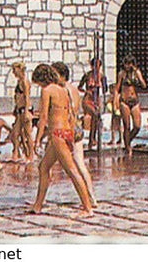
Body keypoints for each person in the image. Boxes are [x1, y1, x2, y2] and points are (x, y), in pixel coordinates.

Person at [29, 64, 94, 217]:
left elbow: (44, 117)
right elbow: (71, 114)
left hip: (57, 134)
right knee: (43, 167)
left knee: (72, 170)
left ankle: (87, 208)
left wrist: (37, 139)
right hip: (66, 132)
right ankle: (38, 205)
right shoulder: (63, 90)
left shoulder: (47, 91)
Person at [54, 62, 95, 205]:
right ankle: (91, 197)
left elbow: (69, 112)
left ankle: (87, 201)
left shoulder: (64, 90)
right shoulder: (74, 90)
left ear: (61, 75)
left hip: (67, 129)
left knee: (70, 167)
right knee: (80, 164)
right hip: (77, 127)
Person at [115, 59, 147, 158]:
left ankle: (128, 140)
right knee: (127, 126)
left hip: (134, 100)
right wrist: (115, 101)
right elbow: (117, 88)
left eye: (129, 64)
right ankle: (128, 147)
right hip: (124, 101)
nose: (127, 66)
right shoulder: (122, 74)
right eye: (126, 64)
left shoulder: (136, 73)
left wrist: (137, 73)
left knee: (137, 126)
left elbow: (144, 85)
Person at [78, 59, 107, 153]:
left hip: (96, 99)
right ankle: (92, 139)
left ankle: (92, 139)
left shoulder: (102, 76)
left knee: (96, 119)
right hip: (88, 99)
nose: (96, 68)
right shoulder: (87, 75)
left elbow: (105, 89)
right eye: (94, 66)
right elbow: (79, 87)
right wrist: (87, 91)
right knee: (94, 115)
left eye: (98, 66)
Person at [10, 62, 33, 164]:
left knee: (28, 134)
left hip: (25, 109)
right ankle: (17, 153)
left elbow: (27, 97)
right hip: (20, 110)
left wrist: (27, 111)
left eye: (15, 70)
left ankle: (31, 156)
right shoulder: (20, 81)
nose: (13, 72)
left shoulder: (25, 81)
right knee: (15, 134)